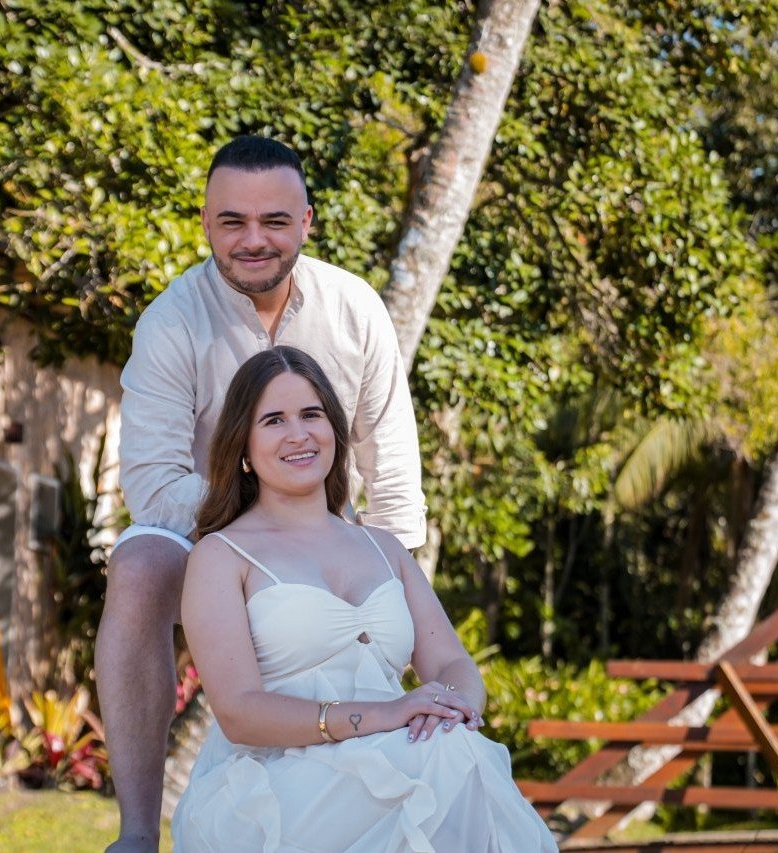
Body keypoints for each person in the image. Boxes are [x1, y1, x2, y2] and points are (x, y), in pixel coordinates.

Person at [97, 136, 427, 852]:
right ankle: (136, 832)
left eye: (274, 221)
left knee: (396, 582)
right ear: (206, 223)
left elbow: (393, 465)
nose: (253, 240)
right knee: (138, 563)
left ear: (306, 220)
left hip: (334, 537)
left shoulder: (356, 308)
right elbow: (153, 485)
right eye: (232, 221)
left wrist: (390, 569)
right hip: (205, 537)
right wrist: (266, 524)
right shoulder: (171, 321)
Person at [171, 346, 556, 852]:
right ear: (242, 443)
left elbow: (452, 663)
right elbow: (239, 712)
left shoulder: (383, 548)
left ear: (334, 429)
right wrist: (382, 716)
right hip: (275, 781)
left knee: (454, 750)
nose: (298, 434)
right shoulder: (221, 556)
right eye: (274, 420)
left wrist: (448, 709)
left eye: (312, 415)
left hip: (396, 757)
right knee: (449, 763)